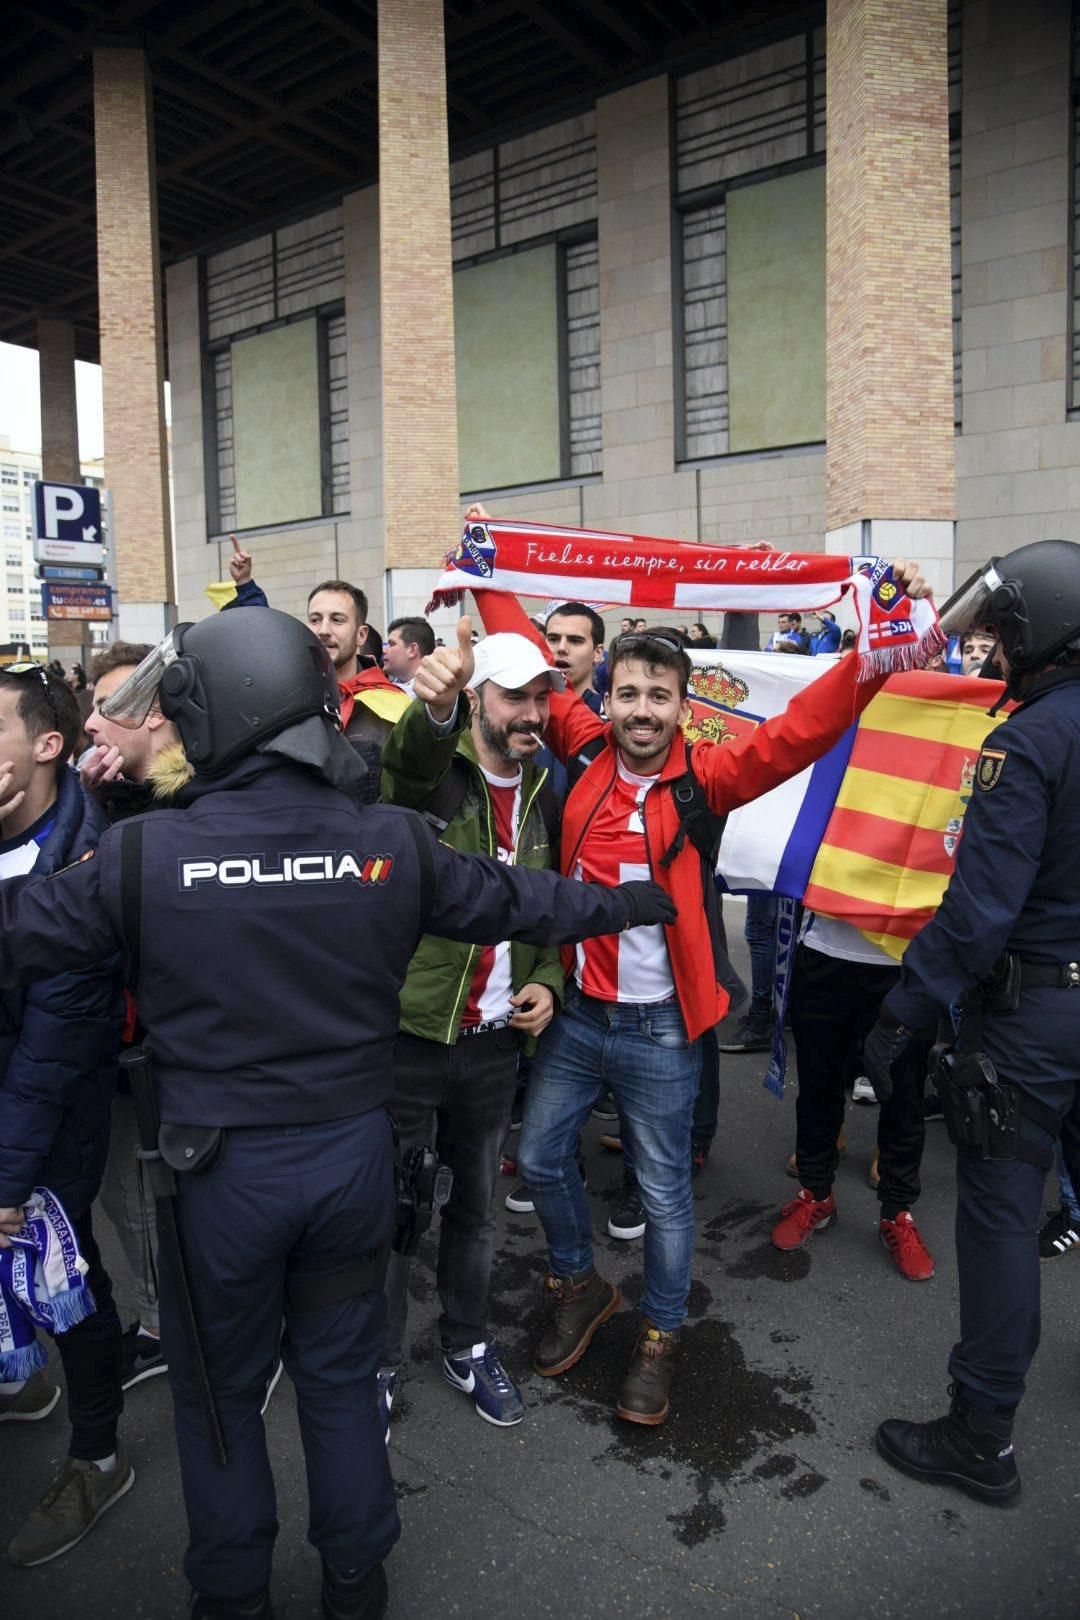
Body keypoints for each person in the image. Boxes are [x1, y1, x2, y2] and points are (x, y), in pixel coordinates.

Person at [0, 607, 674, 1616]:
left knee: (221, 1401)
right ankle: (356, 1580)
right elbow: (527, 902)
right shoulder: (389, 843)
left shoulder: (146, 858)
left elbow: (21, 931)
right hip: (354, 1166)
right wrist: (646, 899)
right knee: (343, 1382)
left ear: (215, 714)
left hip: (217, 1181)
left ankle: (232, 1593)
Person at [462, 510, 935, 1425]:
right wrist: (487, 562)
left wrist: (881, 644)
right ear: (605, 698)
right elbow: (517, 636)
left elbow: (803, 728)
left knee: (668, 1196)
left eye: (659, 696)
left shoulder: (709, 781)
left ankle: (660, 1338)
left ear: (685, 708)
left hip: (665, 1029)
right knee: (544, 1159)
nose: (640, 709)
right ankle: (577, 1287)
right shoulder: (581, 743)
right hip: (579, 1012)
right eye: (628, 692)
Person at [864, 538, 1080, 1508]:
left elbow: (980, 911)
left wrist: (903, 1012)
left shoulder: (1025, 743)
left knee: (997, 1216)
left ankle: (980, 1435)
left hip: (1033, 1016)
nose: (988, 654)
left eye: (998, 636)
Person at [377, 629, 567, 1430]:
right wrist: (437, 704)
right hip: (413, 1036)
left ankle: (467, 1343)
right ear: (480, 702)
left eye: (540, 697)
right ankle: (376, 1365)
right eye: (514, 696)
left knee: (478, 1208)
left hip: (493, 1045)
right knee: (393, 1212)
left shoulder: (548, 784)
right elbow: (408, 762)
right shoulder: (437, 773)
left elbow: (550, 898)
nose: (531, 713)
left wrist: (547, 980)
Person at [0, 664, 127, 1567]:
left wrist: (5, 1181)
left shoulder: (86, 865)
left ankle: (97, 1453)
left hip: (51, 1127)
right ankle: (24, 1377)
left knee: (66, 1280)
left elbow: (50, 1055)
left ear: (48, 748)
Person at [80, 643, 185, 1391]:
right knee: (129, 1196)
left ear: (155, 718)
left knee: (154, 1199)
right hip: (112, 1043)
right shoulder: (99, 799)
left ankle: (166, 1326)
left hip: (166, 1052)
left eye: (108, 709)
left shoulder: (190, 806)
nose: (91, 725)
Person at [769, 912, 934, 1281]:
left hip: (906, 961)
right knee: (817, 1085)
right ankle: (815, 1194)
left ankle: (897, 1211)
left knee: (904, 1095)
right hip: (825, 948)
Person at [544, 602, 605, 708]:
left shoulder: (608, 720)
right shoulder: (526, 715)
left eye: (575, 641)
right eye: (553, 639)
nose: (561, 648)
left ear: (597, 653)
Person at [382, 616, 435, 696]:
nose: (384, 650)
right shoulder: (390, 688)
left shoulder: (435, 695)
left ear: (412, 650)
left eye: (391, 644)